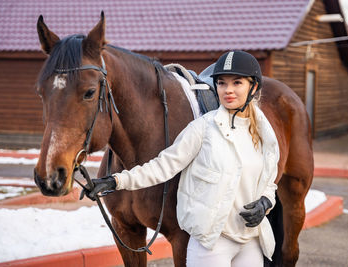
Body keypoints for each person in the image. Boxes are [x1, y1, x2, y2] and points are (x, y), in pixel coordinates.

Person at [81, 50, 279, 266]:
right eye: (222, 83)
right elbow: (163, 166)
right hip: (211, 244)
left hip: (250, 242)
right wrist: (116, 181)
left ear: (254, 87)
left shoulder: (263, 131)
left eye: (237, 83)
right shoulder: (202, 128)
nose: (228, 90)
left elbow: (268, 178)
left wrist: (266, 201)